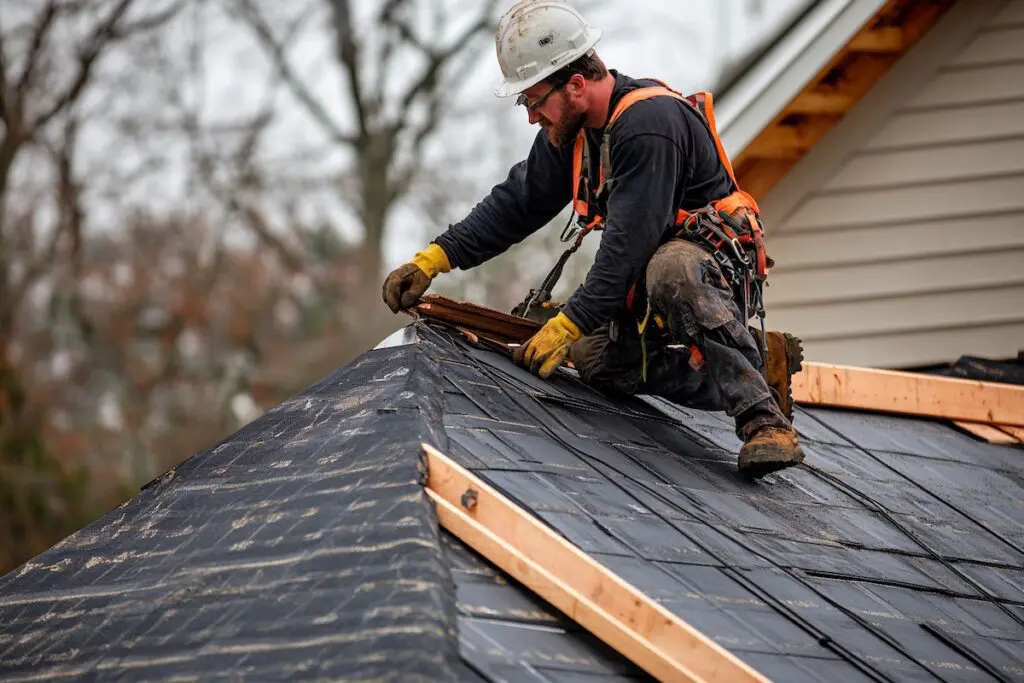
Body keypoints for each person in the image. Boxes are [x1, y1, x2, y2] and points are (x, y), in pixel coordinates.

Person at [383, 0, 804, 478]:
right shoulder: (576, 134)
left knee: (670, 269)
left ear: (576, 84)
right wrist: (435, 258)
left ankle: (763, 420)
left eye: (534, 101)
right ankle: (761, 368)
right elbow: (516, 203)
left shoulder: (649, 125)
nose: (531, 117)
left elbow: (630, 245)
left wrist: (571, 320)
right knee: (596, 361)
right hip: (646, 275)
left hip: (705, 267)